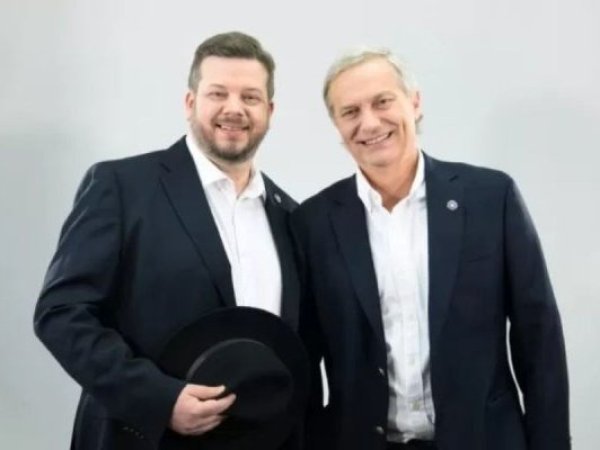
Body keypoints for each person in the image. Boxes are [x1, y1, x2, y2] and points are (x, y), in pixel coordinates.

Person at [34, 31, 302, 450]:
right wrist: (159, 400)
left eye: (250, 97)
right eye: (218, 93)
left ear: (269, 111)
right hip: (140, 438)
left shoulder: (291, 216)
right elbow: (61, 313)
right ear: (190, 103)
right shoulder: (122, 186)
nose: (234, 108)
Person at [292, 47, 570, 450]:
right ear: (337, 125)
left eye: (382, 101)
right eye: (350, 112)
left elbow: (538, 338)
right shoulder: (313, 223)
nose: (369, 122)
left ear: (415, 102)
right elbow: (303, 357)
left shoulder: (491, 198)